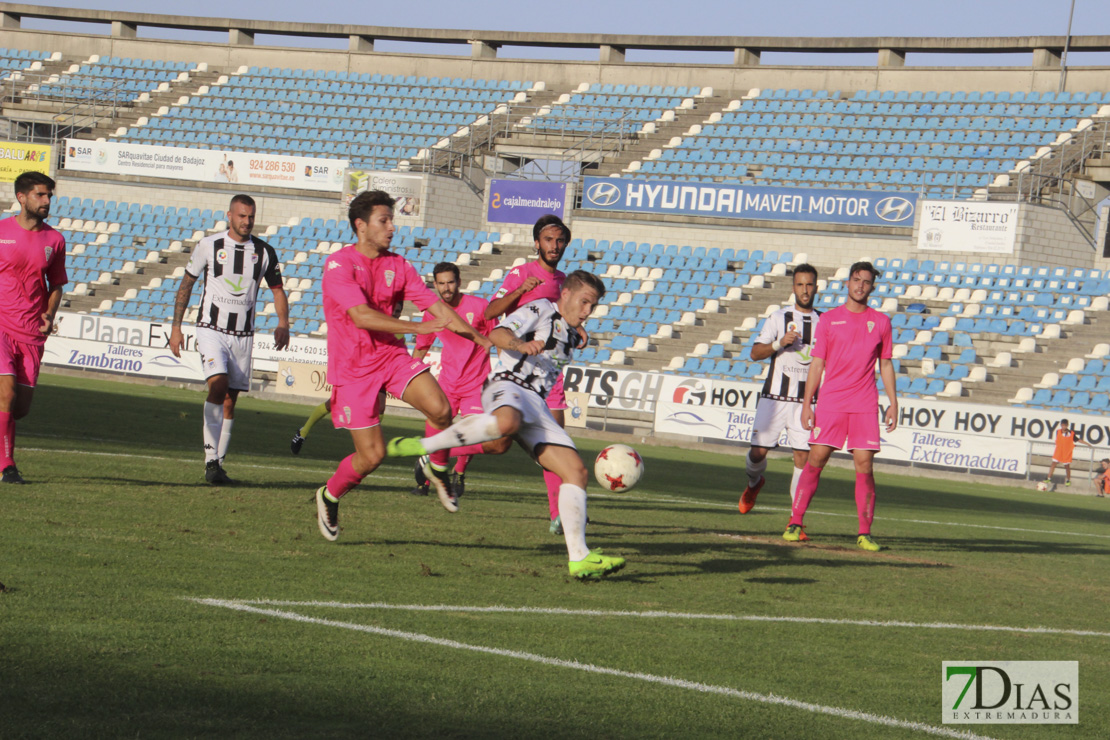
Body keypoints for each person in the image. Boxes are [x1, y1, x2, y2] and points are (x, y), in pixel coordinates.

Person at [386, 270, 626, 579]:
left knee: (575, 472)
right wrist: (520, 344)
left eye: (593, 306)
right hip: (508, 386)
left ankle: (580, 557)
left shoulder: (571, 331)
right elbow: (498, 334)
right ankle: (428, 446)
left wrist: (577, 330)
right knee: (507, 422)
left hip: (536, 403)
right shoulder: (541, 308)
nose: (588, 311)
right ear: (564, 295)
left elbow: (565, 335)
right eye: (584, 303)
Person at [313, 190, 491, 541]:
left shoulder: (399, 265)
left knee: (441, 410)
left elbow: (438, 310)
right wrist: (417, 327)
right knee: (372, 457)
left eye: (393, 220)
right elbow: (362, 317)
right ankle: (329, 495)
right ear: (361, 226)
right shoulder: (339, 265)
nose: (392, 227)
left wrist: (476, 336)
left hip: (390, 356)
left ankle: (436, 467)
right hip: (353, 367)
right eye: (385, 221)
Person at [170, 194, 290, 484]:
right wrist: (176, 327)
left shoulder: (264, 252)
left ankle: (217, 467)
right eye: (241, 216)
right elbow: (187, 284)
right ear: (229, 215)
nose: (247, 221)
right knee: (219, 384)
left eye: (251, 216)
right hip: (211, 329)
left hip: (243, 336)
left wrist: (283, 322)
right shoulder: (209, 246)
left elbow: (277, 290)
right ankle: (211, 461)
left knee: (229, 402)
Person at [784, 261, 897, 551]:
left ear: (872, 287)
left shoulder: (881, 322)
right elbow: (817, 364)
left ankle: (864, 532)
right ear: (847, 283)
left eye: (867, 282)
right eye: (856, 280)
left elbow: (885, 363)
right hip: (832, 402)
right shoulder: (829, 320)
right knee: (816, 459)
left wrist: (893, 403)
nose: (861, 285)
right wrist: (808, 404)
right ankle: (795, 522)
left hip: (864, 404)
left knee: (865, 465)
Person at [485, 214, 572, 534]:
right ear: (537, 243)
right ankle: (443, 454)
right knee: (499, 443)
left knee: (555, 441)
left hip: (553, 369)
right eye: (549, 239)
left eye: (560, 240)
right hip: (518, 369)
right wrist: (520, 289)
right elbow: (490, 313)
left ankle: (557, 514)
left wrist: (578, 331)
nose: (555, 245)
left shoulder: (565, 281)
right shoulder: (522, 273)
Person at [409, 262, 510, 497]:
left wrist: (505, 371)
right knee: (435, 430)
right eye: (441, 283)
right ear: (435, 285)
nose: (447, 288)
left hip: (475, 384)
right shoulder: (431, 312)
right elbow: (421, 349)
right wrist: (410, 376)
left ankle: (460, 472)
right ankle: (424, 483)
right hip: (446, 384)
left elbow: (497, 339)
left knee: (471, 432)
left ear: (459, 282)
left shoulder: (480, 307)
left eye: (451, 282)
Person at [0, 171, 67, 484]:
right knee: (7, 393)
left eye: (49, 195)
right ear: (21, 197)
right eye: (41, 195)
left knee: (20, 408)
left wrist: (49, 314)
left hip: (31, 333)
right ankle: (7, 466)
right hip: (1, 324)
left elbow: (56, 284)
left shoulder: (55, 239)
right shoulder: (1, 232)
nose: (47, 201)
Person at [738, 264, 820, 514]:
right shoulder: (778, 318)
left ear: (816, 287)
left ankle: (795, 519)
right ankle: (754, 483)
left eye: (809, 285)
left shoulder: (825, 322)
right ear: (793, 287)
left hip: (806, 402)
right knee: (757, 454)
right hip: (774, 398)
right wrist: (778, 343)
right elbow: (754, 353)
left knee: (802, 458)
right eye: (800, 285)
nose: (805, 290)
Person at [1044, 419, 1092, 488]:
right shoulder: (1058, 432)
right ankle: (1048, 478)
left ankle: (1068, 480)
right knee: (1053, 464)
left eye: (1065, 425)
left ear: (1067, 425)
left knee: (1067, 467)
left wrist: (1087, 444)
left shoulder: (1071, 433)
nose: (1063, 427)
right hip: (1059, 451)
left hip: (1066, 452)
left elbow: (1078, 440)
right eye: (1062, 425)